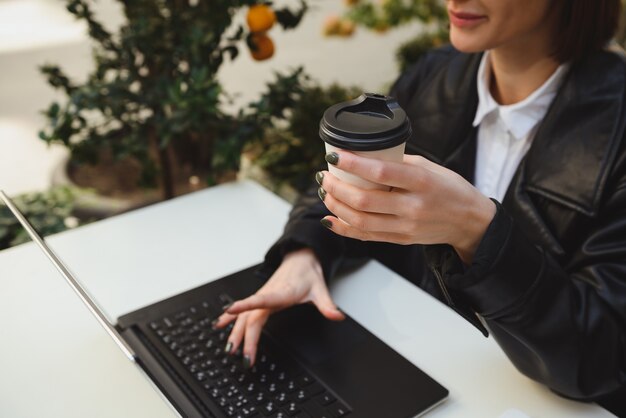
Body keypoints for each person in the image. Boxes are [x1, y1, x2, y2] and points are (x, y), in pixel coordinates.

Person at [215, 0, 626, 411]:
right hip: (407, 380)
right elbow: (348, 184)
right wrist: (305, 255)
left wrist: (479, 233)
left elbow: (600, 358)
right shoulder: (437, 75)